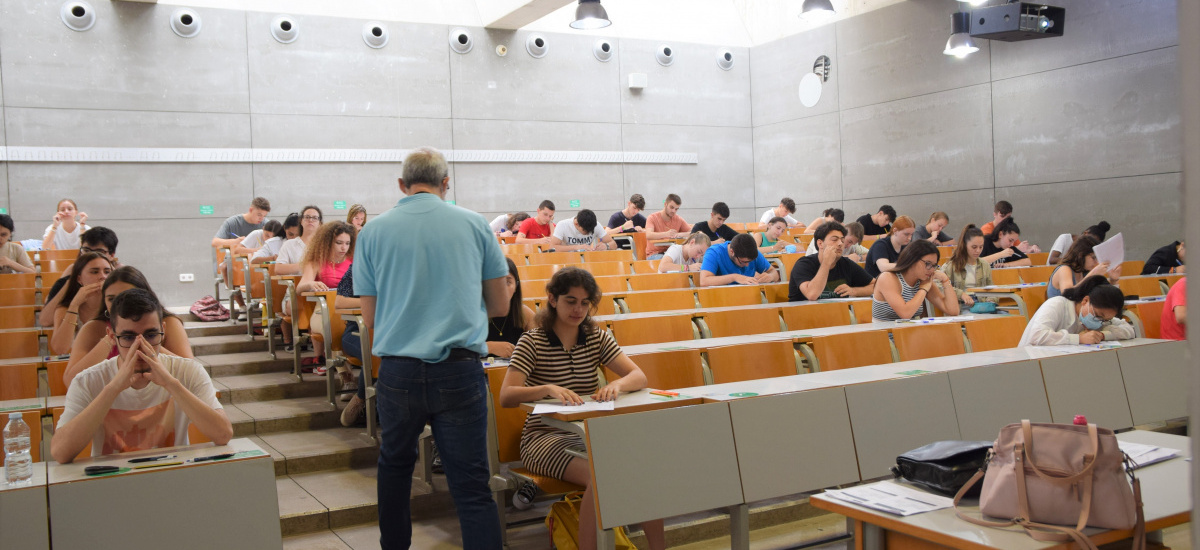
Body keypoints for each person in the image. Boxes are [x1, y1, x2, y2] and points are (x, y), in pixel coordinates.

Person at [354, 147, 507, 548]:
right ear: (446, 184)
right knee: (472, 483)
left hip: (398, 370)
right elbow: (501, 304)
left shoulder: (373, 232)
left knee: (394, 469)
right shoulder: (475, 225)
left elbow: (369, 319)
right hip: (459, 368)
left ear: (402, 185)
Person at [499, 268, 664, 550]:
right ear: (552, 299)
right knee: (600, 476)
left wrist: (618, 386)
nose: (578, 309)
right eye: (570, 301)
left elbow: (639, 376)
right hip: (543, 438)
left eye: (585, 303)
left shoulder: (595, 337)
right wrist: (546, 389)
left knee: (643, 469)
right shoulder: (533, 340)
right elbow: (507, 396)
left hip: (585, 432)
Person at [50, 289, 232, 464]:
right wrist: (113, 388)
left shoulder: (188, 371)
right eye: (128, 338)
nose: (141, 346)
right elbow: (60, 453)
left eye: (151, 335)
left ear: (163, 330)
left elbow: (223, 434)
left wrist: (171, 384)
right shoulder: (87, 381)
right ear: (112, 336)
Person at [65, 266, 193, 387]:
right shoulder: (94, 328)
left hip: (163, 397)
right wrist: (111, 339)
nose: (119, 305)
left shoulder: (168, 323)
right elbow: (70, 381)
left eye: (127, 296)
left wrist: (147, 343)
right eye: (111, 299)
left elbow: (191, 374)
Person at [296, 221, 355, 376]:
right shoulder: (316, 261)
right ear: (328, 242)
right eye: (339, 243)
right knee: (334, 328)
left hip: (348, 311)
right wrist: (310, 283)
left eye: (347, 243)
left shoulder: (353, 261)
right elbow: (299, 287)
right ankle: (346, 376)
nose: (344, 248)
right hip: (321, 311)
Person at [37, 227, 120, 328]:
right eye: (86, 250)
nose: (91, 256)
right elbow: (45, 321)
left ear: (111, 255)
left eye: (99, 251)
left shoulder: (123, 279)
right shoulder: (69, 277)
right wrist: (71, 281)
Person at [1017, 275, 1134, 346]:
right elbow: (1037, 336)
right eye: (1098, 315)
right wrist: (1079, 339)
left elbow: (1129, 330)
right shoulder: (1057, 304)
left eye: (1105, 320)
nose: (1100, 322)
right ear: (1085, 301)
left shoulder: (1102, 318)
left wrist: (1102, 335)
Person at [871, 240, 959, 322]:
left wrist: (945, 280)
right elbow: (905, 314)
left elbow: (952, 310)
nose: (931, 270)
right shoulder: (888, 278)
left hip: (909, 335)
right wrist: (923, 290)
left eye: (934, 265)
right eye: (928, 264)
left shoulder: (923, 280)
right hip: (885, 336)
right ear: (912, 259)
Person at [789, 221, 875, 301]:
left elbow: (875, 285)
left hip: (837, 314)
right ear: (820, 243)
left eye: (842, 240)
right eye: (834, 240)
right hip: (804, 315)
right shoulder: (803, 264)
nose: (840, 243)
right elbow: (812, 295)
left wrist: (854, 291)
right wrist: (826, 262)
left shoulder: (847, 264)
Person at [50, 252, 115, 355]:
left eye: (107, 272)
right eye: (94, 272)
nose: (103, 277)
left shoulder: (118, 307)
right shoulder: (64, 309)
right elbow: (60, 349)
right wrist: (74, 305)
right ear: (79, 279)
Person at [1047, 236, 1121, 299]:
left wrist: (1113, 280)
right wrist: (1092, 275)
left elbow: (1107, 298)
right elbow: (1068, 295)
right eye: (1093, 258)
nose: (1097, 262)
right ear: (1080, 255)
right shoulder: (1064, 269)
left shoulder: (1085, 272)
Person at [940, 225, 993, 309]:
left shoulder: (984, 265)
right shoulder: (951, 266)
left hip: (982, 305)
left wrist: (991, 301)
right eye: (974, 247)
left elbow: (991, 289)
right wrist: (961, 294)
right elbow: (939, 286)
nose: (978, 251)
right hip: (961, 306)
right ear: (964, 245)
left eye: (981, 247)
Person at [699, 233, 779, 286]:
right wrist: (735, 277)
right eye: (743, 262)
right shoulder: (714, 252)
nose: (747, 265)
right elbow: (704, 281)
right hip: (721, 299)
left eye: (750, 262)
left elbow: (773, 272)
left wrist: (770, 276)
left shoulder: (753, 253)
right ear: (732, 252)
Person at [864, 215, 916, 279]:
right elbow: (883, 267)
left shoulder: (906, 246)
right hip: (875, 284)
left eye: (911, 234)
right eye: (906, 234)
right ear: (895, 231)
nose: (910, 238)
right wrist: (909, 266)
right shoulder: (880, 245)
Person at [275, 206, 322, 276]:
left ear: (320, 224)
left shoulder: (325, 244)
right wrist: (303, 265)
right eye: (307, 217)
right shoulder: (289, 244)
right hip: (296, 284)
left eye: (315, 218)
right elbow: (278, 269)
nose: (310, 220)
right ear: (301, 221)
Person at [643, 194, 690, 259]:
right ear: (665, 204)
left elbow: (692, 233)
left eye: (676, 209)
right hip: (655, 254)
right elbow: (648, 235)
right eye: (671, 207)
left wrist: (679, 234)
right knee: (670, 261)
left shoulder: (678, 219)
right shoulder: (652, 217)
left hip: (672, 253)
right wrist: (666, 234)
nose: (673, 211)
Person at [550, 209, 617, 251]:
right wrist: (576, 247)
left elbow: (614, 244)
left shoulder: (596, 225)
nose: (588, 233)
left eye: (591, 231)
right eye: (585, 231)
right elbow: (553, 247)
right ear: (576, 224)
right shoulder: (563, 225)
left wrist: (606, 246)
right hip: (567, 259)